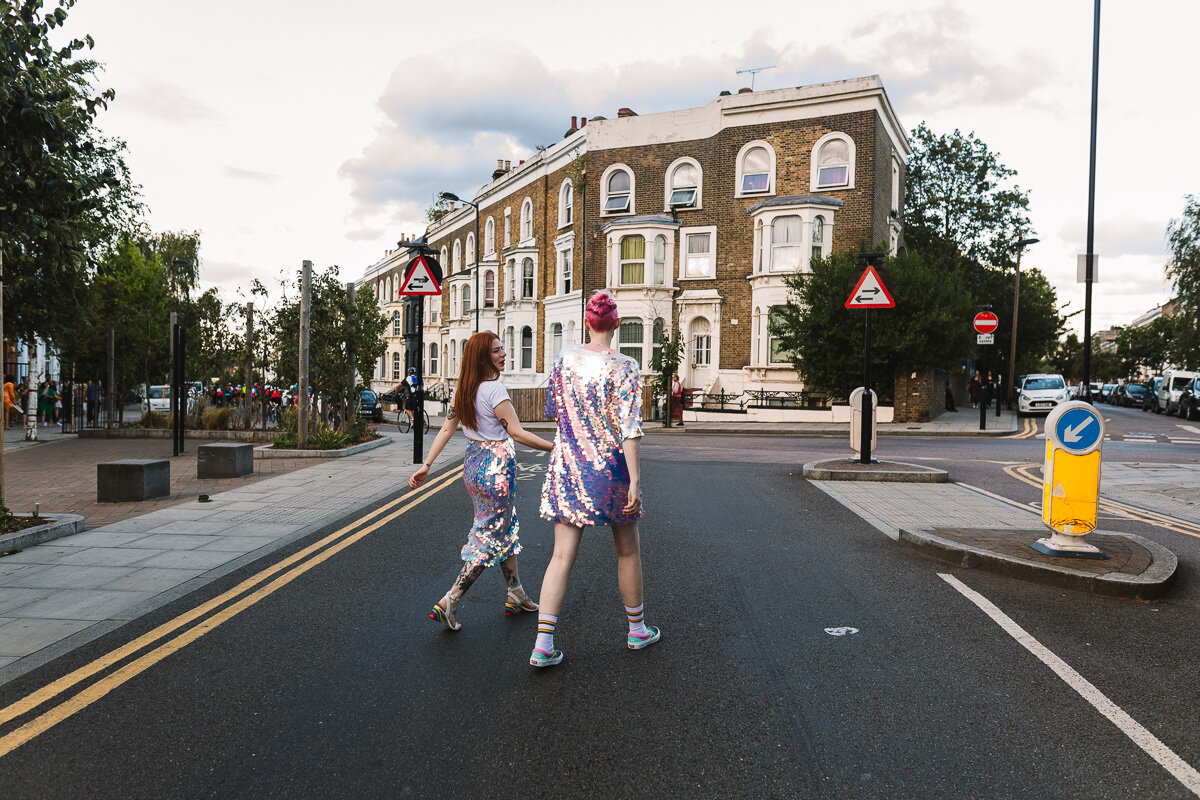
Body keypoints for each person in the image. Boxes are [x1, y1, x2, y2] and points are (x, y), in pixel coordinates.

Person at [530, 290, 660, 668]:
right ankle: (636, 631)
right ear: (616, 324)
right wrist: (635, 480)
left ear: (588, 323)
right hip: (612, 472)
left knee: (561, 555)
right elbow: (630, 428)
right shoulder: (626, 367)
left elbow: (554, 409)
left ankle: (542, 644)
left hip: (569, 469)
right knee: (627, 550)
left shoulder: (565, 359)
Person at [409, 331, 554, 631]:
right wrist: (556, 447)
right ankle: (452, 598)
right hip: (496, 469)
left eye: (502, 349)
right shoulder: (494, 390)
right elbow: (516, 432)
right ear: (482, 357)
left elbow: (447, 430)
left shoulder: (464, 390)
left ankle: (515, 593)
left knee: (502, 527)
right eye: (497, 351)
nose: (503, 354)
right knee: (489, 537)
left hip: (474, 466)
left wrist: (427, 465)